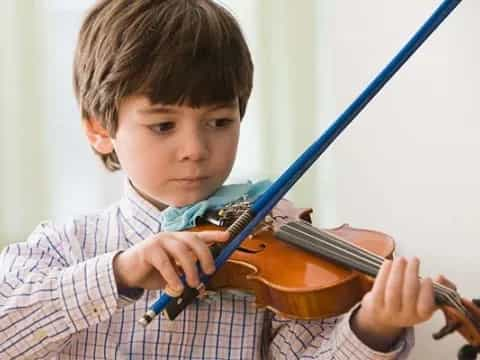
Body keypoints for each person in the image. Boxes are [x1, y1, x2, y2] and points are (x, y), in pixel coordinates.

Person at [0, 0, 451, 358]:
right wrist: (119, 273)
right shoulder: (64, 248)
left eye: (219, 121)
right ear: (100, 129)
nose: (195, 148)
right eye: (163, 126)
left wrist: (371, 327)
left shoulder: (279, 248)